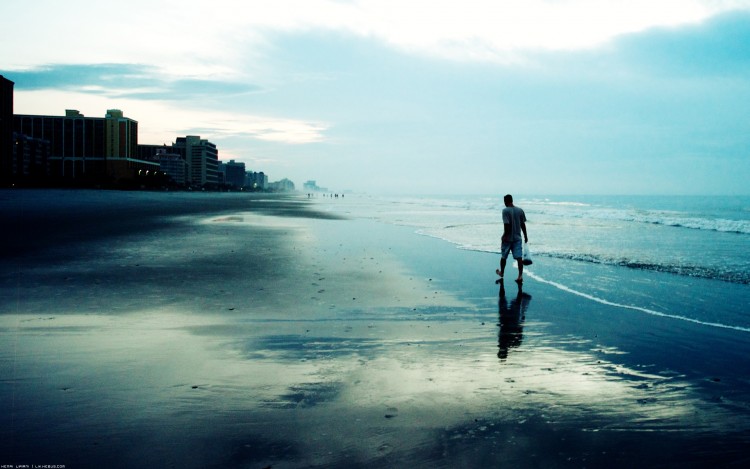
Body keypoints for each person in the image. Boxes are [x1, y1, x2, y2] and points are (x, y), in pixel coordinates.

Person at [496, 194, 528, 285]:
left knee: (503, 256)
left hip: (508, 238)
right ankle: (520, 276)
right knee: (519, 258)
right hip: (517, 238)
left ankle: (502, 272)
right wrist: (525, 236)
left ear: (506, 201)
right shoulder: (520, 210)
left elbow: (507, 225)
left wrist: (504, 236)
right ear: (512, 200)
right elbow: (523, 224)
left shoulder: (505, 211)